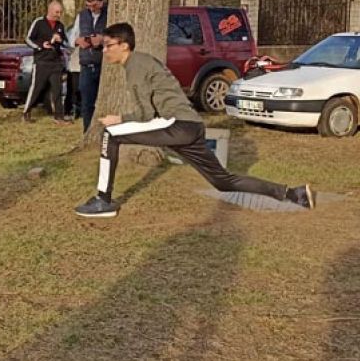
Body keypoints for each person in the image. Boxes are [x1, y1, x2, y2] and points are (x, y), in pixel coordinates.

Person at [74, 22, 316, 218]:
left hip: (177, 125)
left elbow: (145, 114)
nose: (104, 50)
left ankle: (103, 201)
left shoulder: (136, 66)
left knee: (110, 134)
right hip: (191, 126)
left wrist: (119, 119)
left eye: (108, 45)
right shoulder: (141, 62)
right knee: (223, 181)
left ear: (124, 45)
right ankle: (293, 194)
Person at [23, 1, 71, 125]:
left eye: (60, 12)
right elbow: (28, 39)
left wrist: (60, 40)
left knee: (57, 90)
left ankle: (59, 116)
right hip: (41, 62)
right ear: (49, 10)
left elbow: (67, 43)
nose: (59, 15)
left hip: (56, 62)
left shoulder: (60, 25)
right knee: (36, 88)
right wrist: (40, 46)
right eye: (57, 12)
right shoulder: (39, 22)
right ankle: (26, 112)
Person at [76, 0, 107, 133]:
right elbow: (71, 37)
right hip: (87, 65)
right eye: (88, 6)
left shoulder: (109, 14)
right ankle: (87, 132)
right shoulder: (82, 16)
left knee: (104, 102)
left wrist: (102, 40)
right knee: (87, 103)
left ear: (101, 2)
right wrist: (79, 41)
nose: (91, 9)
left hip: (104, 65)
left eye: (94, 5)